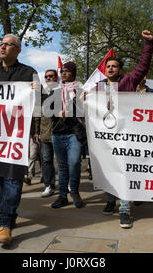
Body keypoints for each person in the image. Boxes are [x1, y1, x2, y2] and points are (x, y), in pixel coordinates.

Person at [96, 30, 153, 228]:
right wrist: (84, 99)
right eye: (108, 66)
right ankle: (111, 200)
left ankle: (124, 210)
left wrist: (148, 44)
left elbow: (143, 65)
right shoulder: (97, 87)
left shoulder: (129, 81)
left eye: (114, 66)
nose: (110, 69)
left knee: (124, 171)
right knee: (108, 170)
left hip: (125, 135)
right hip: (105, 137)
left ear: (120, 70)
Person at [0, 33, 38, 246]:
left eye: (8, 45)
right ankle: (7, 215)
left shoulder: (29, 73)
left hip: (17, 134)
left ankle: (6, 223)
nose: (3, 47)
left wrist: (38, 91)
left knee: (13, 178)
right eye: (1, 44)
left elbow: (39, 101)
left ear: (18, 50)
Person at [49, 62, 86, 209]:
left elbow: (85, 111)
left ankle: (75, 192)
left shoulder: (81, 91)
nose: (63, 73)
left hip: (74, 133)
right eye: (62, 71)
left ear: (73, 74)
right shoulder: (55, 91)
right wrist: (58, 112)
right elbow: (49, 110)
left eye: (67, 71)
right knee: (62, 167)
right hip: (58, 134)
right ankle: (62, 196)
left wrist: (81, 102)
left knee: (74, 163)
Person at [34, 70, 59, 197]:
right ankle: (49, 185)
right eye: (47, 77)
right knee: (46, 160)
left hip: (60, 133)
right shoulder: (41, 95)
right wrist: (36, 131)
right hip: (44, 133)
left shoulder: (62, 92)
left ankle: (68, 183)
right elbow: (37, 114)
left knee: (62, 161)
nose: (49, 78)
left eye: (51, 76)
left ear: (56, 78)